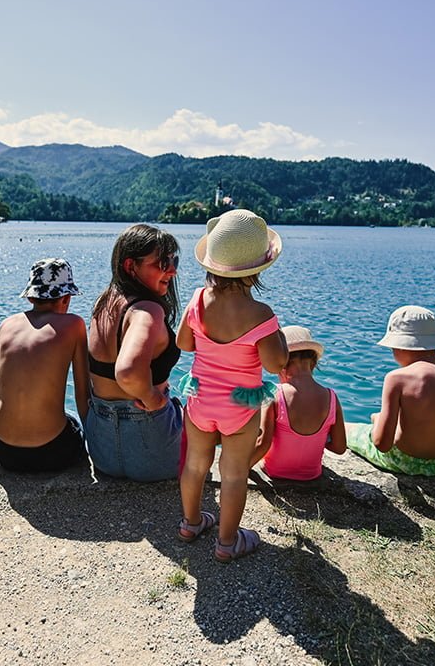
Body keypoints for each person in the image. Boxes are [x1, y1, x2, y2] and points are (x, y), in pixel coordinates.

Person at [177, 209, 289, 562]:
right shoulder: (262, 315)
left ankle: (190, 523)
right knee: (235, 473)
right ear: (257, 270)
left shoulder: (197, 300)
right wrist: (279, 338)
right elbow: (275, 364)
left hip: (200, 401)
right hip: (240, 406)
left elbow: (184, 344)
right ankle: (227, 543)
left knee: (196, 464)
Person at [85, 224, 184, 481]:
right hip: (152, 448)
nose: (172, 270)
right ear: (131, 266)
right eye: (162, 262)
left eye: (174, 260)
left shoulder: (103, 303)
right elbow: (127, 371)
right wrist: (153, 398)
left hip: (102, 451)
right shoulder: (148, 311)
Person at [0, 258, 90, 473]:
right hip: (52, 452)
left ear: (29, 297)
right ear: (66, 298)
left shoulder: (7, 325)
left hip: (5, 453)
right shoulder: (74, 325)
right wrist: (95, 444)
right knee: (70, 415)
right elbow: (83, 396)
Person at [345, 305, 435, 476]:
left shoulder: (398, 378)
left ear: (400, 346)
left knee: (348, 428)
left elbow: (382, 444)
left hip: (404, 462)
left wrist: (377, 419)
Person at [251, 325, 346, 481]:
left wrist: (241, 469)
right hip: (312, 475)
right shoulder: (331, 397)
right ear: (314, 364)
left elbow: (263, 444)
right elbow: (340, 447)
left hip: (274, 472)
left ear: (280, 364)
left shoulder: (275, 395)